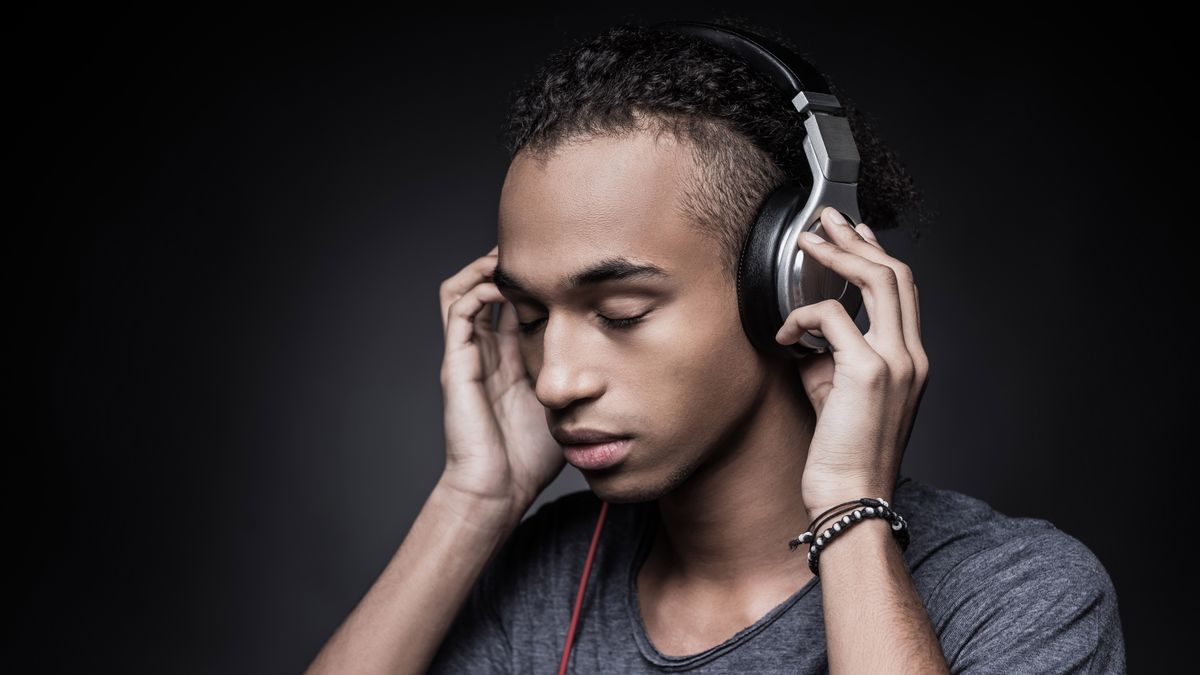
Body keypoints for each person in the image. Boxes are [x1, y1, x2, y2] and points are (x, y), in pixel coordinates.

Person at [304, 17, 1126, 674]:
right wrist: (471, 501)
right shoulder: (538, 580)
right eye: (529, 316)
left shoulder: (1020, 595)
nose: (555, 379)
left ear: (793, 278)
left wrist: (850, 509)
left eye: (621, 311)